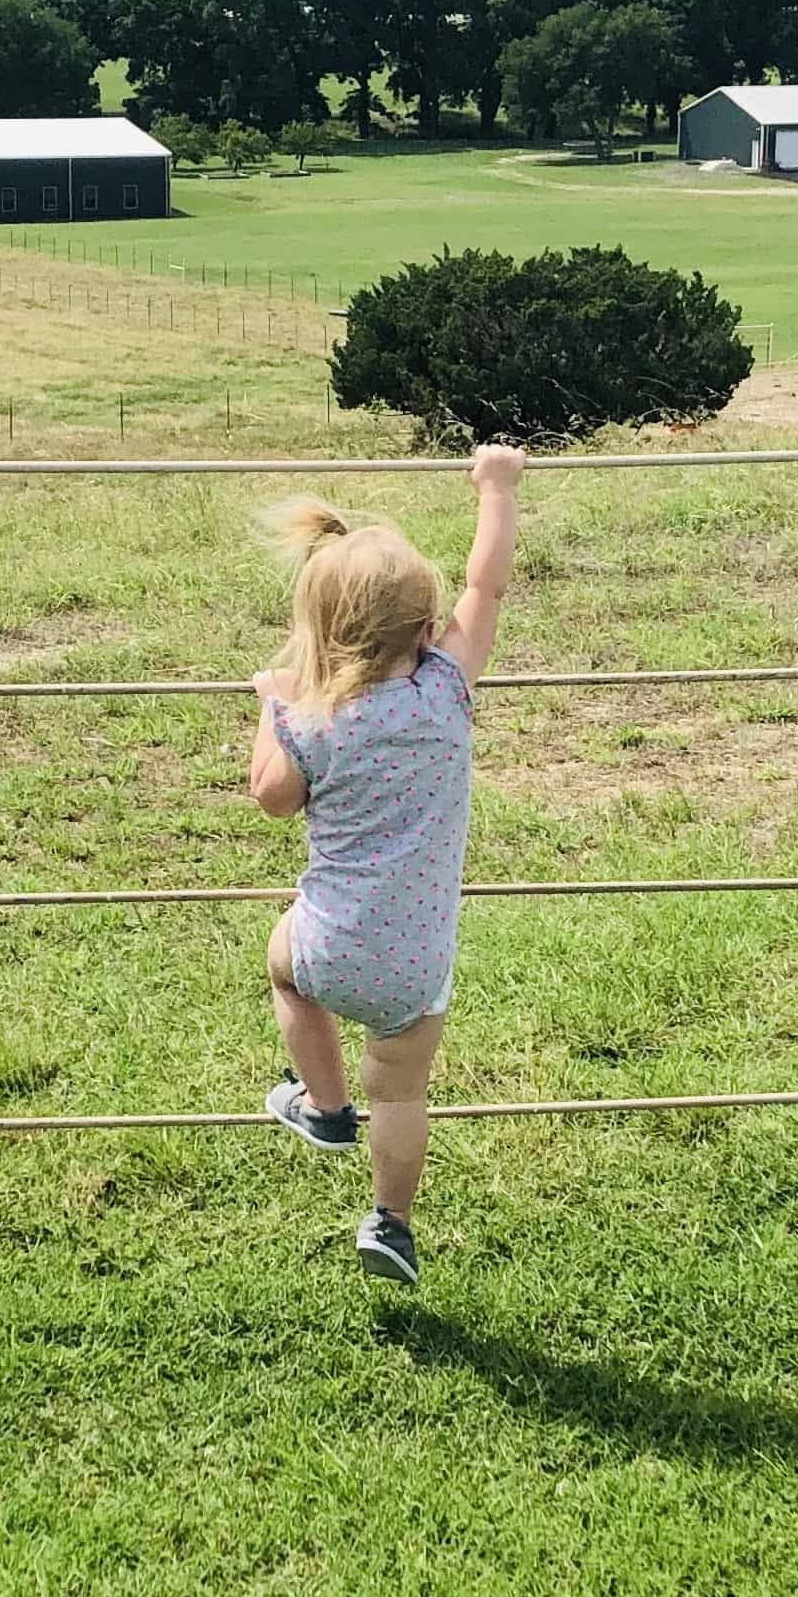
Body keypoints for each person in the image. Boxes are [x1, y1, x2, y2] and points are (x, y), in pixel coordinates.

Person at [245, 443, 527, 1284]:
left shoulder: (312, 717)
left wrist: (270, 703)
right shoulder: (448, 687)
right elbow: (490, 586)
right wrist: (496, 489)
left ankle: (325, 1106)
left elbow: (271, 797)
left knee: (284, 971)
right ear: (426, 625)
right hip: (415, 970)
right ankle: (391, 1225)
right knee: (402, 1096)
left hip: (330, 945)